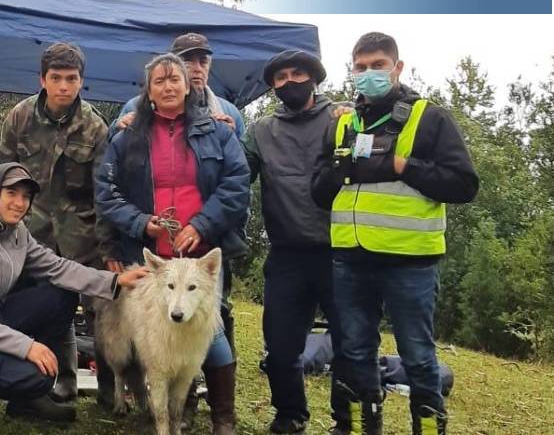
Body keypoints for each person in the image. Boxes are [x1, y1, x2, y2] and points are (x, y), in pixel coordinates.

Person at [312, 32, 479, 435]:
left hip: (410, 261)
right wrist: (339, 168)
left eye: (378, 65)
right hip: (351, 258)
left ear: (398, 67)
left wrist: (406, 167)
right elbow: (319, 192)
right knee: (354, 351)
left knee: (418, 355)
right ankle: (367, 427)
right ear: (351, 71)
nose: (368, 74)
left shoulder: (429, 118)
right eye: (361, 67)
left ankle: (427, 427)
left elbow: (464, 185)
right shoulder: (342, 124)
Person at [0, 162, 147, 426]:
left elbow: (56, 267)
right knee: (40, 376)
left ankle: (25, 401)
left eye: (26, 196)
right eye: (11, 193)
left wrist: (115, 281)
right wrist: (27, 347)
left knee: (62, 296)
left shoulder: (15, 231)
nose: (19, 203)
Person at [95, 53, 249, 435]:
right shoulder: (127, 136)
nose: (167, 86)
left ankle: (222, 417)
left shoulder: (218, 131)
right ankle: (163, 413)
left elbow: (237, 183)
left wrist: (203, 224)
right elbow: (106, 192)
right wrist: (141, 223)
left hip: (201, 252)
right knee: (154, 338)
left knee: (210, 336)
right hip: (148, 255)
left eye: (174, 79)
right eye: (159, 81)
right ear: (148, 90)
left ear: (187, 85)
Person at [0, 42, 115, 404]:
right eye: (56, 78)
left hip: (84, 234)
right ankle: (62, 379)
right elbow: (2, 176)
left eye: (72, 78)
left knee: (100, 311)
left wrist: (108, 248)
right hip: (31, 232)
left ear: (82, 81)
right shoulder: (20, 117)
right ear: (42, 80)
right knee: (51, 307)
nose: (64, 86)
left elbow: (105, 193)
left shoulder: (95, 127)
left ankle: (109, 387)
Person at [241, 50, 345, 434]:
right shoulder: (260, 132)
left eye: (297, 73)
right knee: (281, 347)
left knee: (350, 344)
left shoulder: (344, 117)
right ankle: (289, 414)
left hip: (341, 251)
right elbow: (235, 177)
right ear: (272, 87)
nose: (289, 81)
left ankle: (346, 421)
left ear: (314, 77)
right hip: (286, 253)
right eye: (280, 77)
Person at [112, 32, 244, 137]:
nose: (197, 68)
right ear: (172, 65)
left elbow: (242, 166)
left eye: (203, 61)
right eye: (187, 61)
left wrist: (230, 140)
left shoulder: (230, 112)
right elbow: (112, 155)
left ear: (209, 66)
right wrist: (116, 129)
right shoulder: (135, 108)